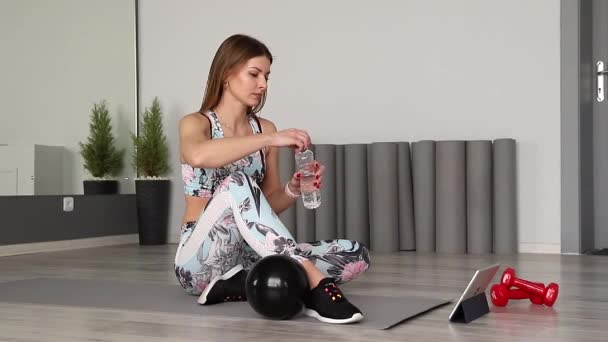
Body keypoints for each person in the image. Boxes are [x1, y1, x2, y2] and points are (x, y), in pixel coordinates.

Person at [174, 34, 370, 324]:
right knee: (238, 182)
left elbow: (264, 207)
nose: (263, 84)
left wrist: (292, 189)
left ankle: (238, 284)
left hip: (251, 258)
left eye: (266, 76)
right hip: (200, 262)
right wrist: (269, 138)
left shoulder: (264, 129)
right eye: (254, 74)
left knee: (354, 254)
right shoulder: (196, 123)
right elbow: (198, 155)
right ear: (227, 74)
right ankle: (317, 287)